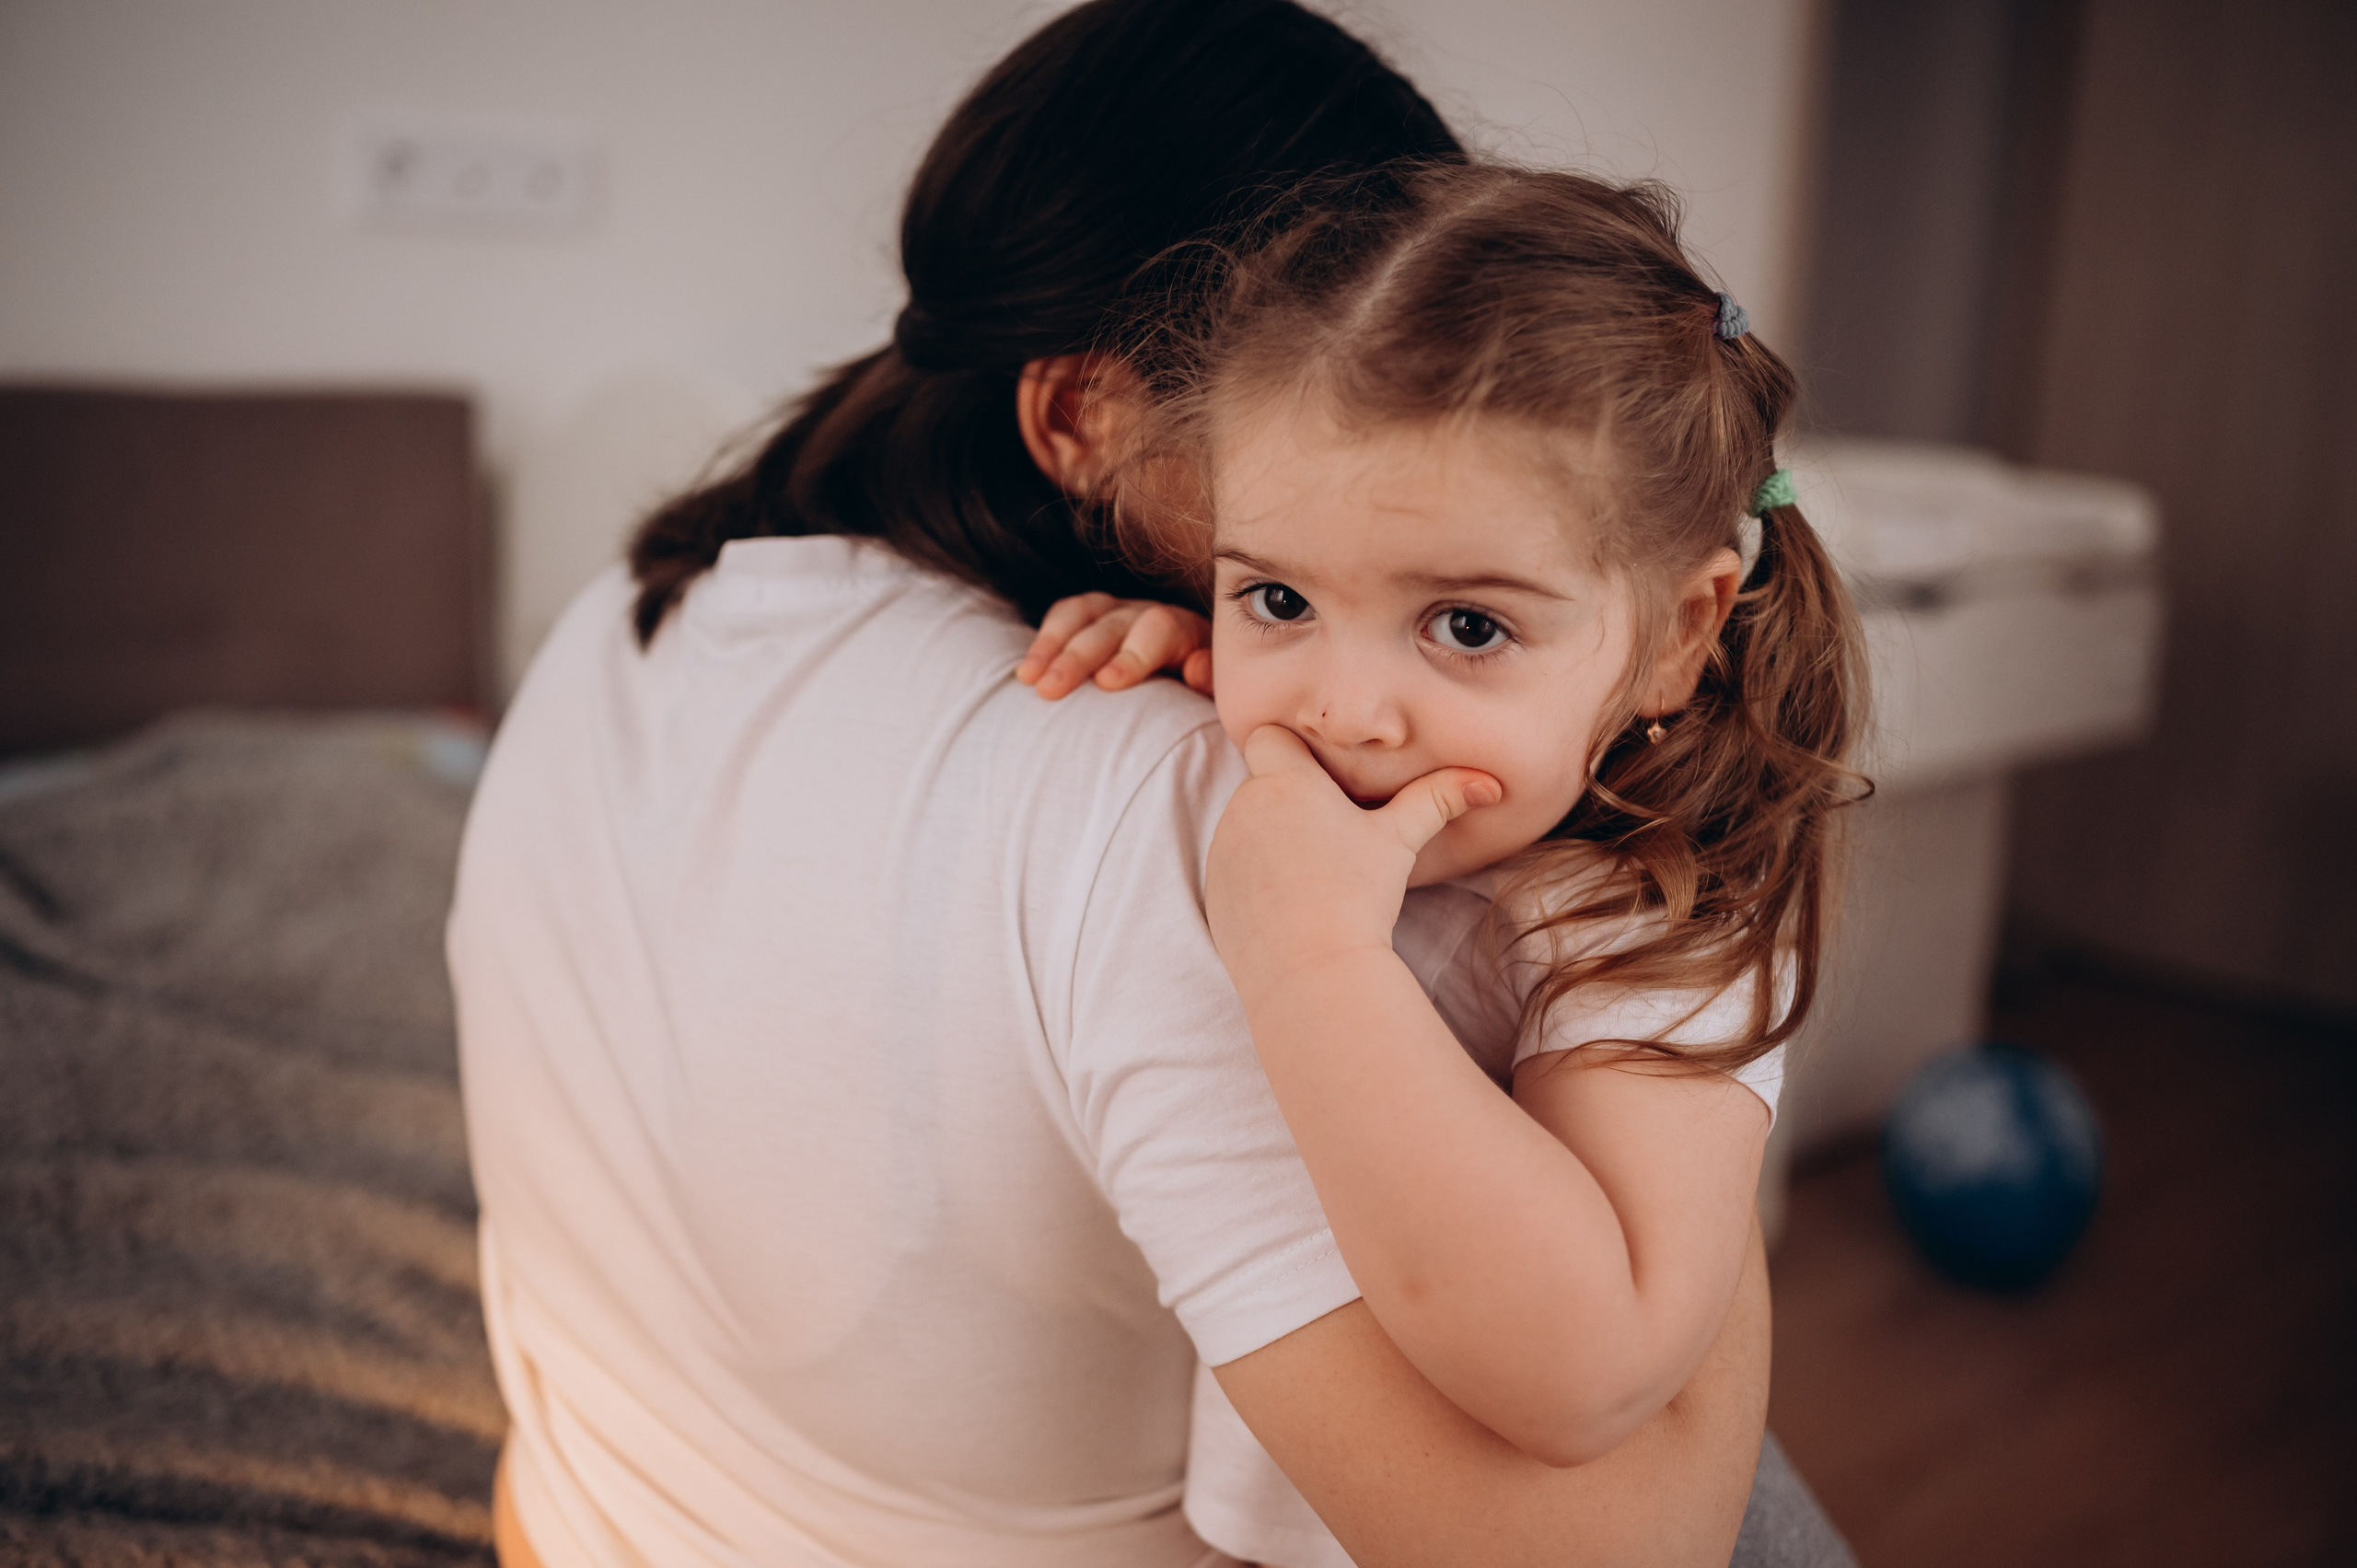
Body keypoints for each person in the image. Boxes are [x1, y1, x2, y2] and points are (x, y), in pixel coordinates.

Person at [448, 2, 1854, 1564]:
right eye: (1316, 394)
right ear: (1087, 416)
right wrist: (1692, 920)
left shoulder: (625, 614)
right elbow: (1603, 1541)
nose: (1340, 706)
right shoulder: (1191, 814)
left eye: (1459, 612)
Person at [1017, 161, 1865, 1566]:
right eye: (1278, 594)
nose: (1346, 711)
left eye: (1466, 629)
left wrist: (1314, 963)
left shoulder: (1646, 927)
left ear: (1676, 631)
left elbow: (1590, 1370)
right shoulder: (1330, 749)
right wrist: (1195, 658)